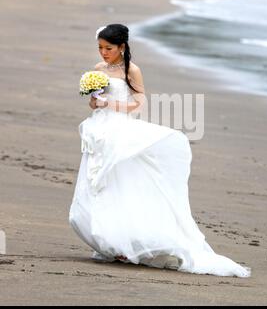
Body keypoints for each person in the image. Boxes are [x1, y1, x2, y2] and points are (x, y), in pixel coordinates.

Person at [69, 24, 251, 277]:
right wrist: (94, 101)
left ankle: (127, 242)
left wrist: (109, 103)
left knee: (121, 182)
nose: (103, 53)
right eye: (100, 48)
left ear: (122, 47)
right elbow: (94, 103)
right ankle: (111, 241)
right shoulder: (98, 70)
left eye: (108, 48)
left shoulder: (132, 70)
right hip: (99, 130)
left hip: (121, 129)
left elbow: (139, 104)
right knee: (100, 183)